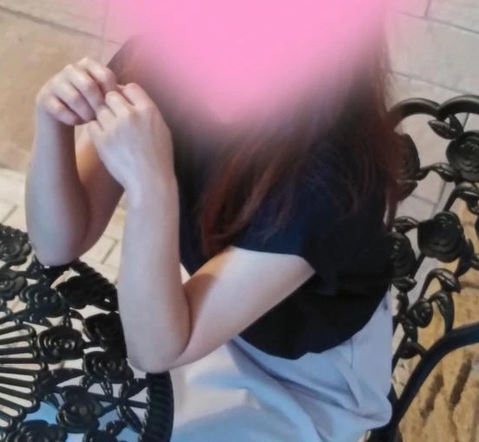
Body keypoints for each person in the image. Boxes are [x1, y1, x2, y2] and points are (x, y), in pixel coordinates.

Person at [25, 32, 400, 442]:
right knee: (49, 407)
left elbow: (154, 351)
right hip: (208, 321)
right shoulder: (159, 62)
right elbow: (57, 245)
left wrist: (151, 186)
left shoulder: (328, 177)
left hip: (309, 375)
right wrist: (52, 121)